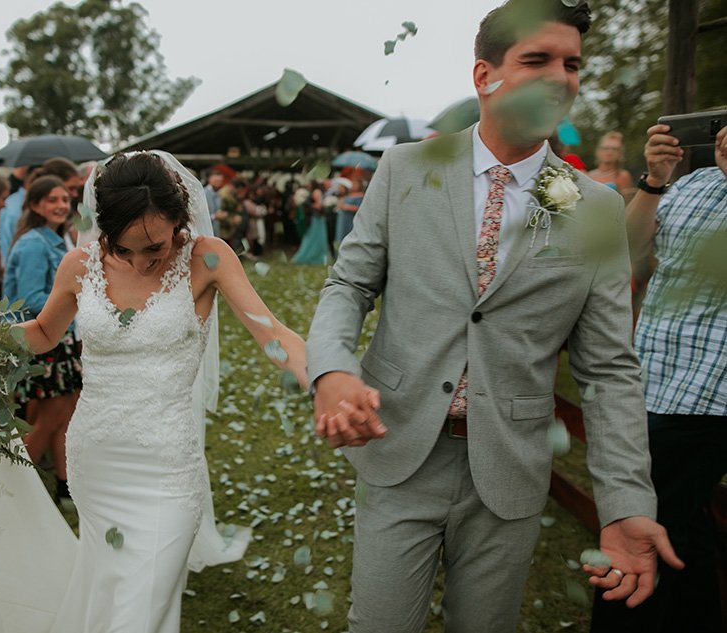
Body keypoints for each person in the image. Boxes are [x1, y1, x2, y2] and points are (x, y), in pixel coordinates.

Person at [305, 2, 682, 631]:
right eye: (537, 60)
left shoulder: (595, 209)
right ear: (485, 76)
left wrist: (623, 502)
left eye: (571, 64)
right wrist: (332, 370)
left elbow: (610, 369)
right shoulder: (404, 170)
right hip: (400, 449)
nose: (560, 78)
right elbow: (348, 283)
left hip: (508, 468)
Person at [0, 151, 331, 633]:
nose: (143, 262)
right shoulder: (79, 265)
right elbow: (44, 333)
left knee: (141, 609)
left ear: (179, 217)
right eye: (125, 250)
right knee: (106, 591)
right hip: (96, 462)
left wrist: (325, 380)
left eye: (155, 247)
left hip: (167, 469)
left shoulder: (209, 257)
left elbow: (273, 334)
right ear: (105, 229)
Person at [590, 124, 727, 632]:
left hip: (709, 396)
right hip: (647, 377)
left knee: (637, 520)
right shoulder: (693, 184)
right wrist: (655, 179)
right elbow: (625, 247)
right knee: (683, 525)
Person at [2, 176, 83, 505]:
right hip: (42, 341)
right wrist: (81, 297)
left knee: (64, 417)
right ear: (35, 205)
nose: (61, 205)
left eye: (64, 198)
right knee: (47, 420)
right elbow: (30, 298)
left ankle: (64, 486)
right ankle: (16, 492)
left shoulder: (55, 238)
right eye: (52, 199)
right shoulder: (34, 243)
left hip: (60, 340)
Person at [586, 131, 634, 196]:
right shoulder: (589, 175)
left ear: (620, 153)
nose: (609, 152)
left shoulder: (623, 175)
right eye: (606, 148)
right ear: (598, 151)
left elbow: (627, 202)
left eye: (614, 149)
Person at [291, 184, 329, 265]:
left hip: (321, 226)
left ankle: (320, 258)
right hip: (313, 226)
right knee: (309, 241)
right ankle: (306, 257)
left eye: (318, 195)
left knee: (321, 242)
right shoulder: (308, 206)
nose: (317, 196)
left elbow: (324, 212)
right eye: (315, 195)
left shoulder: (323, 205)